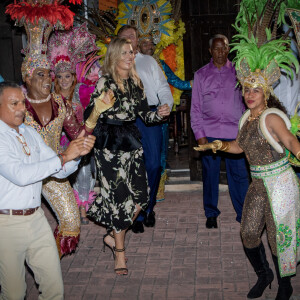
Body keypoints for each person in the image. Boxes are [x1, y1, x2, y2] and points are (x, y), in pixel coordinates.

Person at [194, 41, 300, 300]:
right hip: (258, 183)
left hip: (280, 183)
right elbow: (239, 147)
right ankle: (264, 274)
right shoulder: (246, 118)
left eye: (255, 90)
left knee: (278, 238)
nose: (249, 94)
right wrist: (218, 145)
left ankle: (285, 286)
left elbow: (290, 142)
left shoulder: (270, 116)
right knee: (249, 232)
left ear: (265, 92)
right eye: (246, 90)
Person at [0, 81, 96, 299]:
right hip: (6, 226)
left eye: (22, 103)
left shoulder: (29, 133)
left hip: (37, 220)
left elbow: (58, 169)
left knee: (54, 289)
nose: (21, 108)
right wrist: (64, 156)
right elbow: (21, 175)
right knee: (14, 294)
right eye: (13, 104)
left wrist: (76, 154)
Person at [84, 37, 170, 275]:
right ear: (114, 56)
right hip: (109, 145)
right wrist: (100, 106)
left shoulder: (136, 82)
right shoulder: (105, 82)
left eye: (131, 52)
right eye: (125, 52)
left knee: (142, 195)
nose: (130, 55)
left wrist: (160, 113)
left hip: (131, 141)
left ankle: (113, 235)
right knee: (119, 198)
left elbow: (145, 115)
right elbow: (89, 116)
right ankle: (120, 254)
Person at [118, 25, 174, 233]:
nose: (130, 39)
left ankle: (149, 207)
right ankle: (137, 214)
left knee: (153, 165)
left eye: (132, 36)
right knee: (132, 167)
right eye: (125, 37)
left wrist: (167, 104)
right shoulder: (113, 65)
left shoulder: (149, 61)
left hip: (150, 117)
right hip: (125, 119)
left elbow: (162, 87)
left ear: (137, 39)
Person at [190, 34, 249, 229]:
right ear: (210, 51)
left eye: (224, 48)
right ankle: (211, 213)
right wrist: (200, 135)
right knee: (210, 175)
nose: (220, 52)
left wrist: (246, 131)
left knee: (239, 175)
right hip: (211, 133)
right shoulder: (201, 75)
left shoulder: (240, 73)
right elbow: (196, 108)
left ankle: (243, 213)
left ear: (228, 49)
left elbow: (247, 104)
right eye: (216, 49)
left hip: (235, 134)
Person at [47, 23, 99, 225]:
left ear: (73, 77)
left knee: (84, 173)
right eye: (60, 77)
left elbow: (92, 114)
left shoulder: (83, 92)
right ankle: (67, 208)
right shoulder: (51, 97)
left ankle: (83, 207)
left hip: (80, 138)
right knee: (62, 177)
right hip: (58, 141)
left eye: (67, 76)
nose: (64, 80)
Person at [139, 35, 192, 202]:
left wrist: (197, 82)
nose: (149, 46)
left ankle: (158, 188)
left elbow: (176, 82)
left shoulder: (159, 64)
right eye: (145, 43)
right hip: (136, 115)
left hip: (159, 114)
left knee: (160, 151)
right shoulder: (130, 63)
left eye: (152, 43)